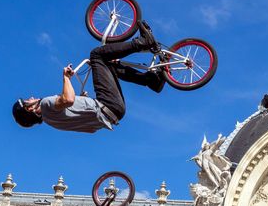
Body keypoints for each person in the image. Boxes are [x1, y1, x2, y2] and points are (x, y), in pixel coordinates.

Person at [12, 21, 165, 133]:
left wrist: (83, 100)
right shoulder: (46, 104)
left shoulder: (53, 122)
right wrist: (66, 77)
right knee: (96, 55)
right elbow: (68, 99)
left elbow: (90, 129)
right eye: (28, 100)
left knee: (109, 65)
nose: (31, 97)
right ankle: (143, 42)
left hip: (115, 113)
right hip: (108, 105)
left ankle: (152, 80)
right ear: (30, 109)